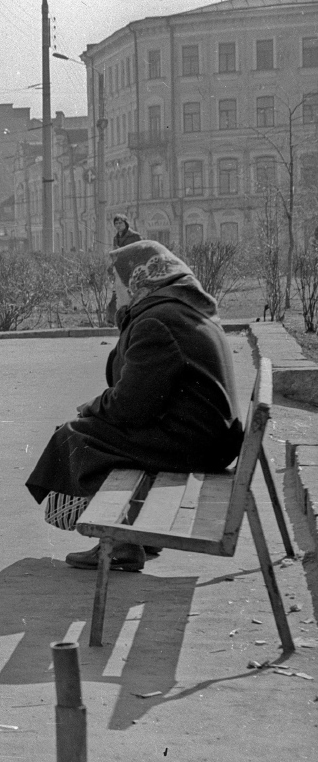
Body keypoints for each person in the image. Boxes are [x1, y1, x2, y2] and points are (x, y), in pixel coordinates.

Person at [24, 240, 243, 573]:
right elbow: (138, 393)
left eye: (117, 281)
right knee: (92, 431)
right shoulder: (178, 308)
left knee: (77, 437)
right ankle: (137, 532)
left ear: (138, 281)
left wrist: (91, 408)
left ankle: (121, 542)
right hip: (207, 437)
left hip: (195, 442)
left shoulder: (157, 321)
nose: (115, 290)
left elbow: (131, 406)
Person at [106, 215, 144, 324]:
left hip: (133, 269)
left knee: (132, 294)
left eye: (120, 223)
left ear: (126, 224)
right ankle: (114, 319)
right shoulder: (116, 238)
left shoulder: (135, 236)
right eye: (116, 223)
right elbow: (115, 255)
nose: (118, 226)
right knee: (118, 294)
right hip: (120, 269)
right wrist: (112, 265)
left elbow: (140, 251)